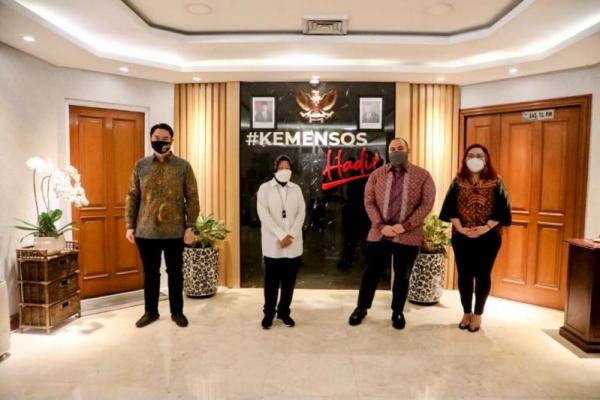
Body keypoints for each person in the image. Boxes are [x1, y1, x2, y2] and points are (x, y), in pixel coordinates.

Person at [348, 137, 435, 329]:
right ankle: (361, 308)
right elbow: (369, 201)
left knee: (402, 275)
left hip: (408, 234)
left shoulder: (423, 176)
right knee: (370, 272)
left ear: (408, 150)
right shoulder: (376, 175)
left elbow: (427, 204)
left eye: (400, 148)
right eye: (392, 149)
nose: (396, 152)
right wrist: (381, 225)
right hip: (380, 233)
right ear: (388, 152)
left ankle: (397, 312)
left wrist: (406, 225)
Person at [125, 123, 200, 328]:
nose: (161, 142)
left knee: (175, 273)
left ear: (172, 141)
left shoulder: (183, 166)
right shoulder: (141, 166)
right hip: (146, 231)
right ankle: (151, 312)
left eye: (165, 139)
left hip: (175, 232)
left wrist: (190, 226)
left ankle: (177, 312)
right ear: (151, 139)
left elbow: (192, 197)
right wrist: (130, 225)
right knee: (150, 274)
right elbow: (132, 196)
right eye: (157, 138)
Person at [439, 144, 511, 332]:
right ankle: (466, 312)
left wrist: (484, 228)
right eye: (471, 155)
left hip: (489, 238)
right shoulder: (457, 181)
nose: (475, 159)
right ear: (465, 159)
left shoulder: (496, 181)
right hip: (462, 237)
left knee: (483, 275)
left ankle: (478, 314)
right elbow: (449, 208)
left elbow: (503, 210)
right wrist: (461, 229)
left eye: (479, 155)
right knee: (464, 275)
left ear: (486, 159)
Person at [256, 155, 306, 329]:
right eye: (281, 167)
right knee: (271, 282)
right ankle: (268, 313)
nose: (285, 171)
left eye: (288, 168)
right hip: (273, 244)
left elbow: (301, 213)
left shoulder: (296, 189)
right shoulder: (265, 189)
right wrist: (280, 235)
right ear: (275, 168)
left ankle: (284, 312)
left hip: (293, 244)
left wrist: (290, 235)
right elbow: (263, 214)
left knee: (288, 283)